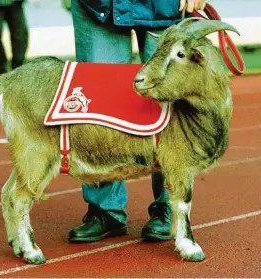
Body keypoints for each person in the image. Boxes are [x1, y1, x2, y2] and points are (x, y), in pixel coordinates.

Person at [68, 0, 206, 243]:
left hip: (166, 6)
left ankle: (171, 206)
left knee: (172, 105)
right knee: (98, 104)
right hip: (98, 5)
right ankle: (105, 210)